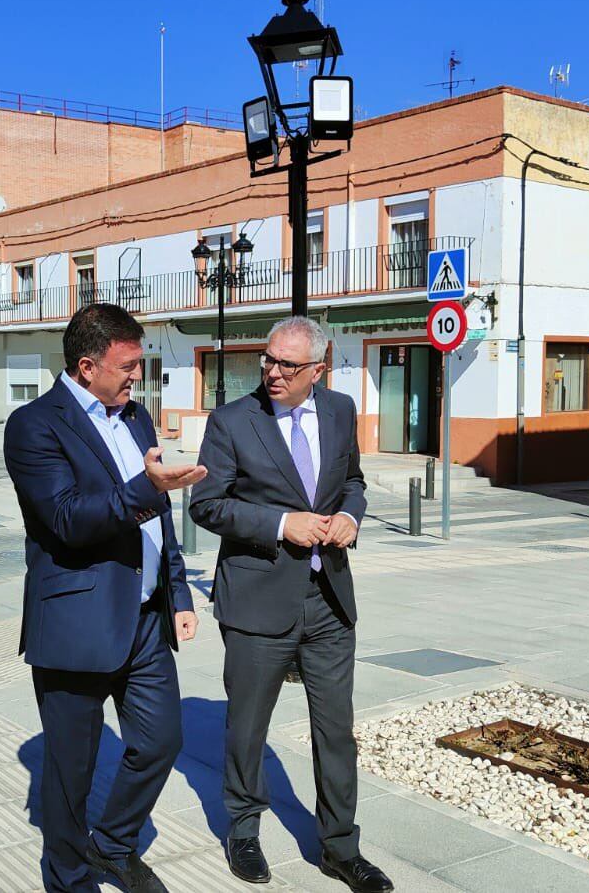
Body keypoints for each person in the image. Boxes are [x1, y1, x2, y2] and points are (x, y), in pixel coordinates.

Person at [3, 303, 207, 893]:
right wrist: (148, 487)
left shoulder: (136, 416)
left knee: (162, 739)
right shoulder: (35, 425)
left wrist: (178, 591)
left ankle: (114, 845)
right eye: (128, 366)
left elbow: (158, 520)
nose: (137, 376)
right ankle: (68, 879)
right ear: (87, 366)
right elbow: (66, 519)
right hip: (76, 623)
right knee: (71, 773)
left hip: (145, 619)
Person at [189, 317, 395, 893]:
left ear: (318, 370)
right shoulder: (232, 421)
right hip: (257, 599)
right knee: (248, 728)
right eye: (268, 360)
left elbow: (351, 479)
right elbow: (206, 505)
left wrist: (351, 517)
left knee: (336, 731)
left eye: (288, 365)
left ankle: (340, 848)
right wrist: (283, 523)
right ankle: (244, 830)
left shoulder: (338, 410)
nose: (272, 372)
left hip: (327, 597)